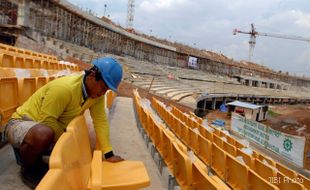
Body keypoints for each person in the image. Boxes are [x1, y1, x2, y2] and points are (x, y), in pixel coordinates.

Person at [4, 57, 124, 188]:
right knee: (44, 134)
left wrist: (108, 153)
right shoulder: (64, 88)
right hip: (21, 123)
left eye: (106, 90)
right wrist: (69, 144)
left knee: (83, 139)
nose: (102, 93)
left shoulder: (96, 97)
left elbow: (101, 122)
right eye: (103, 87)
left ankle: (40, 159)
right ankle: (29, 170)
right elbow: (47, 120)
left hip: (47, 128)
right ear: (92, 75)